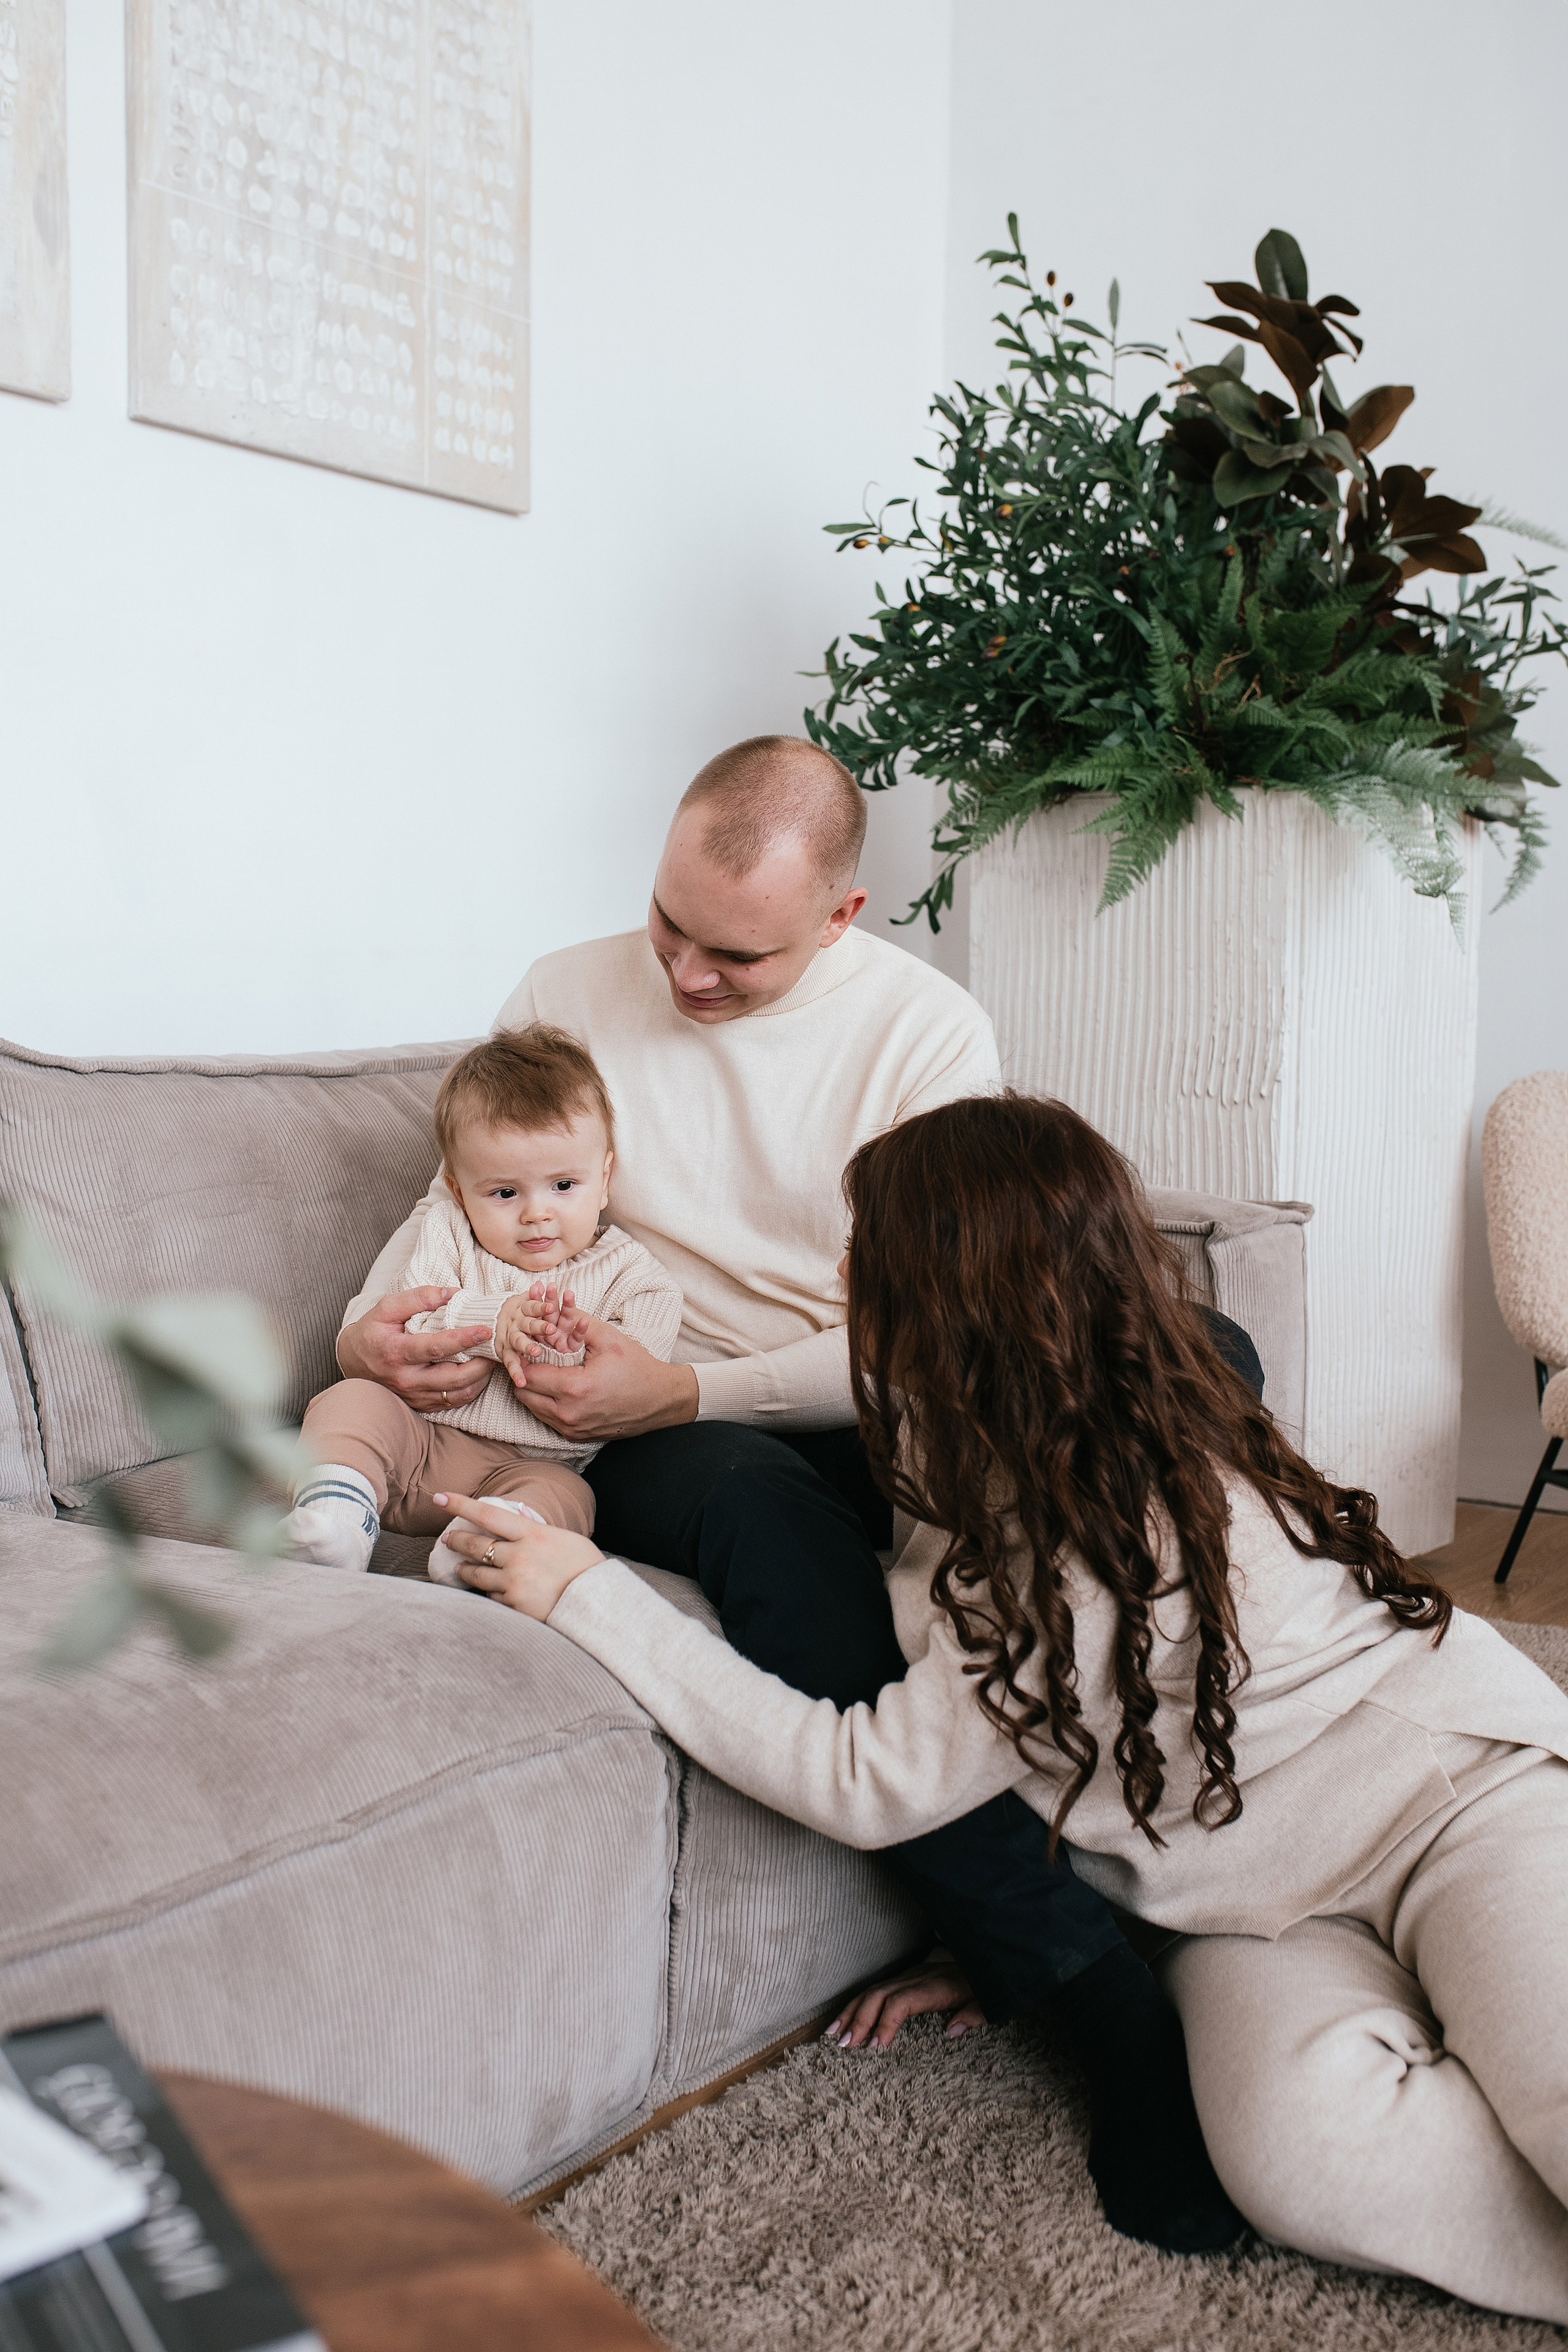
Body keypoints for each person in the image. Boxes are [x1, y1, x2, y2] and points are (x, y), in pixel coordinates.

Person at [337, 733, 1259, 2251]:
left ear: (842, 916)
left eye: (735, 955)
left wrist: (697, 1379)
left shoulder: (921, 1032)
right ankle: (1086, 1986)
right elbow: (464, 1216)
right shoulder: (560, 989)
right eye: (666, 928)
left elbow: (943, 1323)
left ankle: (1205, 1836)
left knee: (1191, 1354)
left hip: (874, 1386)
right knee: (758, 1514)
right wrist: (396, 1336)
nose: (685, 978)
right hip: (645, 1434)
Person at [435, 1093, 1568, 2324]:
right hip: (1252, 1915)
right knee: (1301, 2161)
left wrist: (587, 1595)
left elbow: (866, 1779)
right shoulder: (959, 1428)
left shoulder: (1105, 1517)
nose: (841, 1273)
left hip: (1446, 1806)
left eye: (862, 1255)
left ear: (942, 1299)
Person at [286, 1026, 682, 1577]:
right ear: (458, 1188)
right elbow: (414, 1319)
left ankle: (478, 1546)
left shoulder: (637, 1278)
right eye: (504, 1193)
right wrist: (494, 1322)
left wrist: (564, 1341)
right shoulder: (449, 1233)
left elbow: (630, 1381)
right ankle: (337, 1519)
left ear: (606, 1178)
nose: (537, 1213)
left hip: (530, 1465)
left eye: (564, 1185)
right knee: (351, 1401)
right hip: (417, 1437)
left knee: (570, 1498)